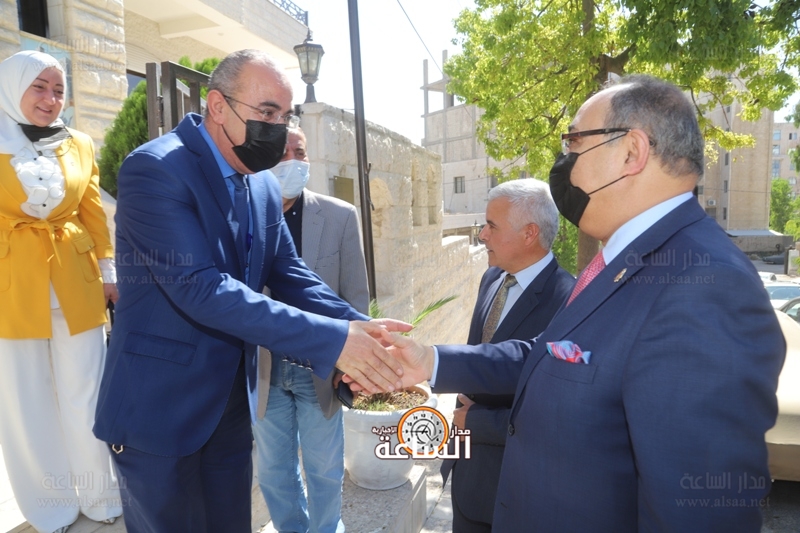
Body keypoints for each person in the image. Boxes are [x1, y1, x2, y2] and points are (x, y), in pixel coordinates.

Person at [375, 75, 786, 531]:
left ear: (631, 152)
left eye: (574, 142)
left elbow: (696, 515)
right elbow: (550, 355)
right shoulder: (625, 260)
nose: (565, 164)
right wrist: (429, 360)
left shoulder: (706, 285)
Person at [93, 49, 409, 533]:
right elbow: (201, 289)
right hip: (158, 412)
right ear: (218, 106)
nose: (277, 128)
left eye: (285, 116)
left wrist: (361, 329)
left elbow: (290, 273)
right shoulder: (156, 169)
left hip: (230, 412)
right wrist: (335, 342)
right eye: (266, 112)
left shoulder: (261, 185)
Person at [0, 51, 122, 533]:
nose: (51, 99)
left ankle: (100, 494)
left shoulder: (80, 144)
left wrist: (109, 274)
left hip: (77, 281)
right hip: (12, 285)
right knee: (25, 399)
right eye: (39, 87)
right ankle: (50, 505)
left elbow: (93, 214)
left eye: (58, 89)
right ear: (13, 87)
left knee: (86, 392)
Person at [441, 179, 574, 532]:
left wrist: (478, 423)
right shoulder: (492, 278)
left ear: (530, 233)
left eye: (492, 225)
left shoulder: (569, 303)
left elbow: (559, 417)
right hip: (466, 477)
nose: (481, 235)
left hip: (513, 492)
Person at [253, 126, 369, 533]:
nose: (292, 161)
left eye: (299, 152)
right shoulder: (248, 215)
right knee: (273, 471)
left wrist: (351, 362)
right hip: (265, 368)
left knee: (324, 468)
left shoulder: (339, 216)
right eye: (282, 152)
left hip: (320, 368)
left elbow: (355, 295)